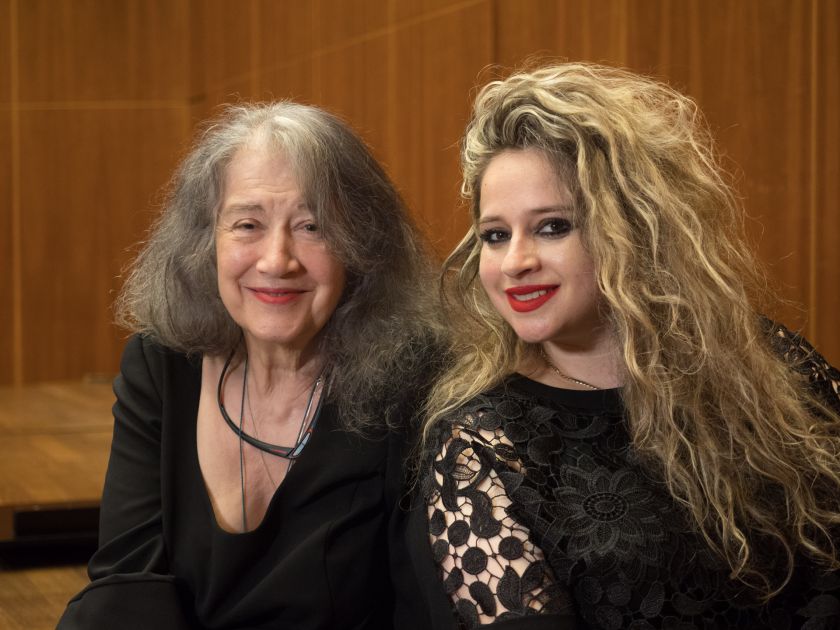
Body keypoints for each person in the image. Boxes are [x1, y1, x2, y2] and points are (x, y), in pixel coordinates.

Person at [406, 63, 840, 629]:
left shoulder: (764, 360)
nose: (515, 262)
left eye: (553, 226)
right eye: (495, 235)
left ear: (632, 227)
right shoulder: (481, 446)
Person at [58, 102, 439, 629]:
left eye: (312, 226)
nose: (277, 260)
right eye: (247, 224)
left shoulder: (413, 384)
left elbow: (423, 608)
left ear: (361, 246)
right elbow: (129, 583)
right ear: (204, 242)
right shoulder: (162, 363)